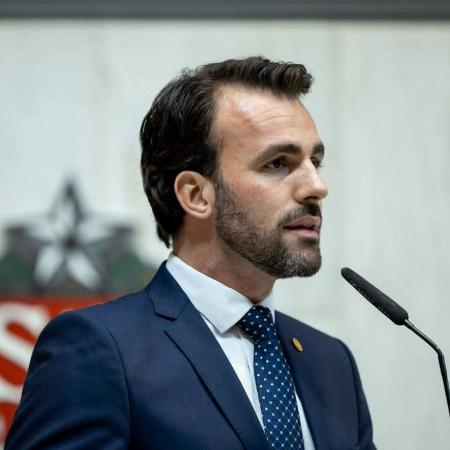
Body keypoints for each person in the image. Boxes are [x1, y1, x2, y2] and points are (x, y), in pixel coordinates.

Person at [6, 56, 376, 450]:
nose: (316, 186)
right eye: (278, 163)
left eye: (314, 161)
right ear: (197, 195)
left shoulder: (332, 363)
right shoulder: (99, 349)